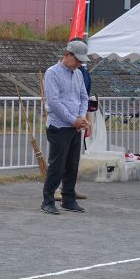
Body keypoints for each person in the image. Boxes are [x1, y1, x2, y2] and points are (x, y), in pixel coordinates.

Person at [40, 39, 91, 215]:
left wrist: (82, 117)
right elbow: (53, 102)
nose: (79, 64)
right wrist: (73, 119)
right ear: (67, 55)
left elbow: (84, 97)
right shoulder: (52, 73)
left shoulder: (78, 73)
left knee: (72, 164)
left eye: (81, 61)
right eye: (77, 60)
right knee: (57, 165)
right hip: (59, 126)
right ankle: (48, 200)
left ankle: (69, 198)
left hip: (75, 126)